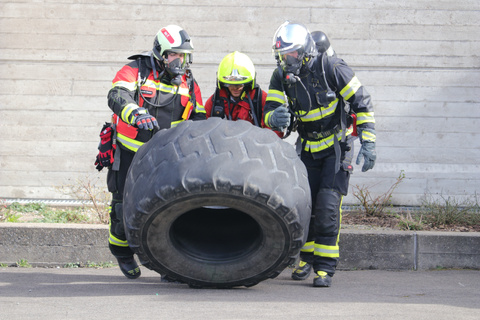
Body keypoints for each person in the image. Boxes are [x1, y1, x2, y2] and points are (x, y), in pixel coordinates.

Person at [264, 21, 376, 287]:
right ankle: (306, 259)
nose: (285, 60)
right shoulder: (280, 76)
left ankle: (324, 268)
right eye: (281, 55)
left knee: (326, 207)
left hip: (336, 148)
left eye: (290, 54)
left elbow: (362, 101)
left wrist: (369, 142)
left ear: (304, 52)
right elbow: (270, 110)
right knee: (305, 207)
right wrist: (274, 117)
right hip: (307, 147)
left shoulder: (331, 68)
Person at [103, 25, 206, 279]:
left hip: (165, 156)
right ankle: (122, 252)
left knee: (167, 208)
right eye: (174, 55)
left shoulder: (189, 82)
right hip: (129, 152)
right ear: (161, 53)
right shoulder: (136, 71)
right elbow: (116, 94)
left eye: (183, 55)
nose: (179, 61)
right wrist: (135, 113)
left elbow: (200, 116)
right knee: (122, 206)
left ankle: (165, 263)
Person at [204, 51, 281, 136]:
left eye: (240, 85)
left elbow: (274, 136)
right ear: (223, 84)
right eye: (230, 85)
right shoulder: (215, 102)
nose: (235, 88)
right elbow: (203, 131)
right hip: (222, 147)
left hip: (254, 147)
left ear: (249, 84)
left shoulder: (260, 99)